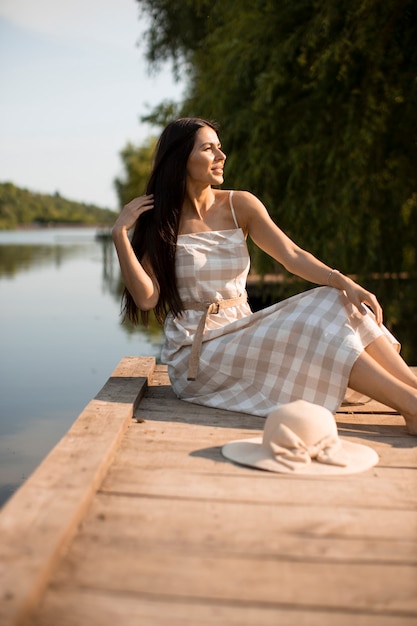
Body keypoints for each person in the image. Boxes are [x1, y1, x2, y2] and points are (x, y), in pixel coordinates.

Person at [112, 117, 417, 435]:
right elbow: (147, 299)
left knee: (335, 297)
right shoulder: (160, 221)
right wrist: (120, 234)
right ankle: (411, 407)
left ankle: (413, 393)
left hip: (243, 329)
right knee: (313, 328)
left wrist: (345, 282)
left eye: (220, 146)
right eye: (208, 148)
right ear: (181, 159)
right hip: (196, 353)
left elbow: (292, 255)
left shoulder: (239, 205)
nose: (221, 155)